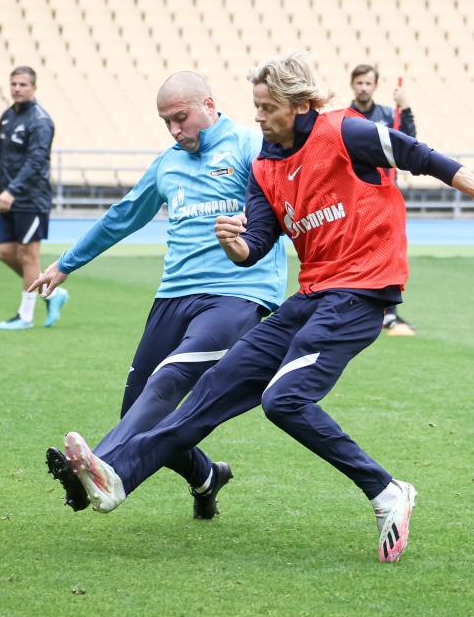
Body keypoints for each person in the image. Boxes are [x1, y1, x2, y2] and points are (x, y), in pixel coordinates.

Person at [57, 51, 474, 562]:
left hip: (361, 293)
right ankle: (118, 477)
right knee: (216, 385)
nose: (258, 117)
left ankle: (387, 491)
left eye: (267, 108)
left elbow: (425, 158)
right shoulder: (265, 165)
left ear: (299, 104)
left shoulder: (346, 132)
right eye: (256, 106)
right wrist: (233, 243)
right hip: (312, 295)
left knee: (283, 399)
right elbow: (256, 246)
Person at [33, 71, 287, 518]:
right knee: (138, 410)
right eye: (166, 121)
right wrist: (66, 263)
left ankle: (98, 466)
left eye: (180, 117)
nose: (174, 129)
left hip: (236, 294)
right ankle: (207, 477)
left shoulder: (250, 146)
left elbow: (289, 201)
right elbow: (123, 215)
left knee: (169, 380)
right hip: (173, 296)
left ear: (209, 105)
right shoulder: (167, 164)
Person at [0, 66, 69, 330]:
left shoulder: (41, 121)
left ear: (34, 87)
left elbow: (36, 161)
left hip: (31, 199)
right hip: (7, 197)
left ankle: (25, 317)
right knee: (5, 253)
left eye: (23, 84)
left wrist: (11, 190)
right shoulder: (7, 116)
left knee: (28, 255)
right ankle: (53, 293)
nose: (17, 89)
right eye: (14, 84)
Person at [349, 64, 417, 335]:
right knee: (357, 255)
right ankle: (356, 308)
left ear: (375, 86)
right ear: (352, 85)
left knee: (390, 255)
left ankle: (390, 314)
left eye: (368, 83)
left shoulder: (390, 115)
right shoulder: (346, 118)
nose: (364, 88)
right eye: (360, 83)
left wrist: (406, 109)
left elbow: (409, 145)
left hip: (386, 196)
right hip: (355, 197)